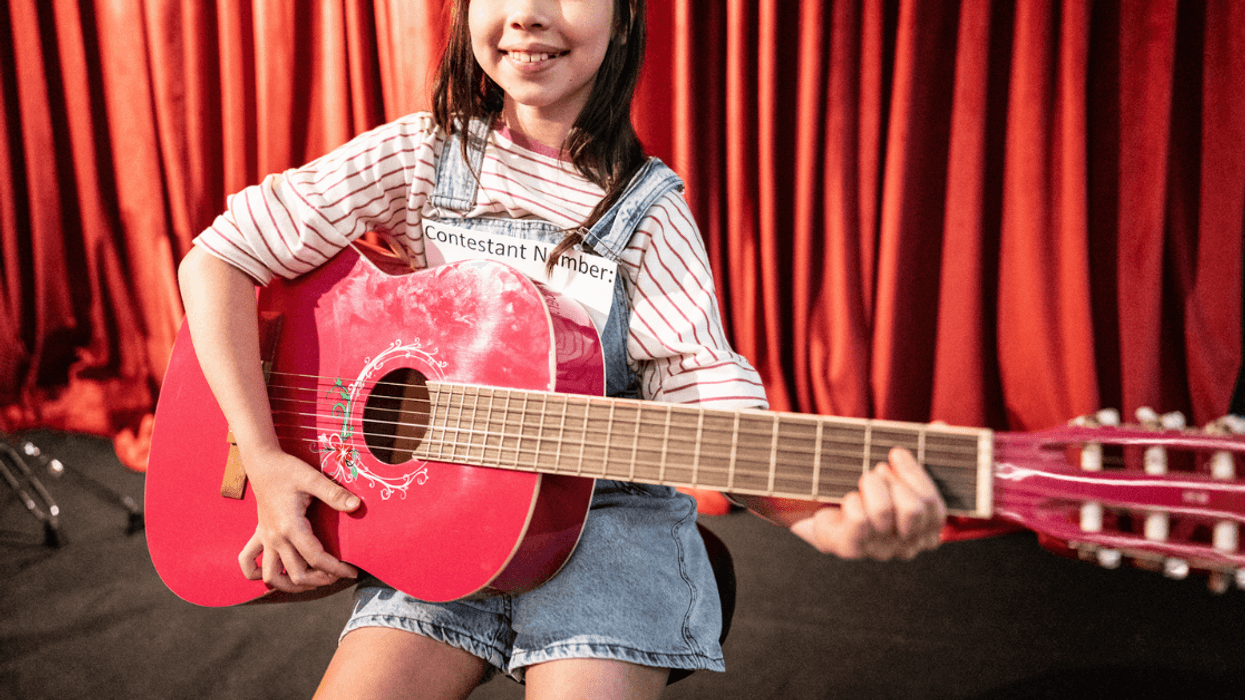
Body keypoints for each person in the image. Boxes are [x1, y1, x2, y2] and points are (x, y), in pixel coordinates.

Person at [176, 0, 947, 697]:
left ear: (623, 18)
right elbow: (218, 259)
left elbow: (710, 397)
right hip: (435, 523)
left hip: (604, 525)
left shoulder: (647, 213)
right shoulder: (419, 155)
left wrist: (825, 523)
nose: (527, 15)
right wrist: (265, 451)